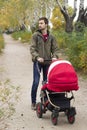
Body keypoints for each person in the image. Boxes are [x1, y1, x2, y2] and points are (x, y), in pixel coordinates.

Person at [30, 17, 59, 110]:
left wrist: (54, 56)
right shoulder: (35, 35)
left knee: (46, 83)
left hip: (48, 63)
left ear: (46, 24)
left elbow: (55, 49)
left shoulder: (52, 37)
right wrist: (37, 57)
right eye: (39, 23)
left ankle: (46, 101)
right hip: (38, 62)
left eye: (41, 23)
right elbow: (32, 48)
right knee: (36, 82)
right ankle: (33, 102)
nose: (39, 25)